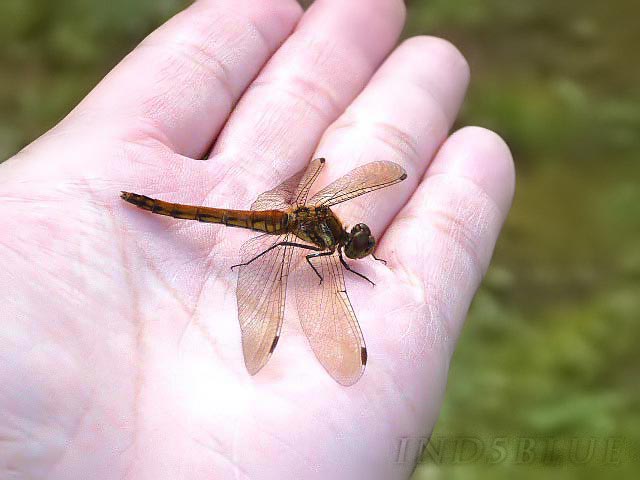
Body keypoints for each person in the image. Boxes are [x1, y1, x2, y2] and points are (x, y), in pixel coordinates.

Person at [0, 0, 514, 478]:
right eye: (357, 245)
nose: (360, 242)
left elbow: (357, 181)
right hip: (262, 222)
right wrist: (335, 265)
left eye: (358, 242)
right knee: (272, 245)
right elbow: (315, 262)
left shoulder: (328, 223)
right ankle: (150, 205)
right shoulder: (322, 245)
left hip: (284, 219)